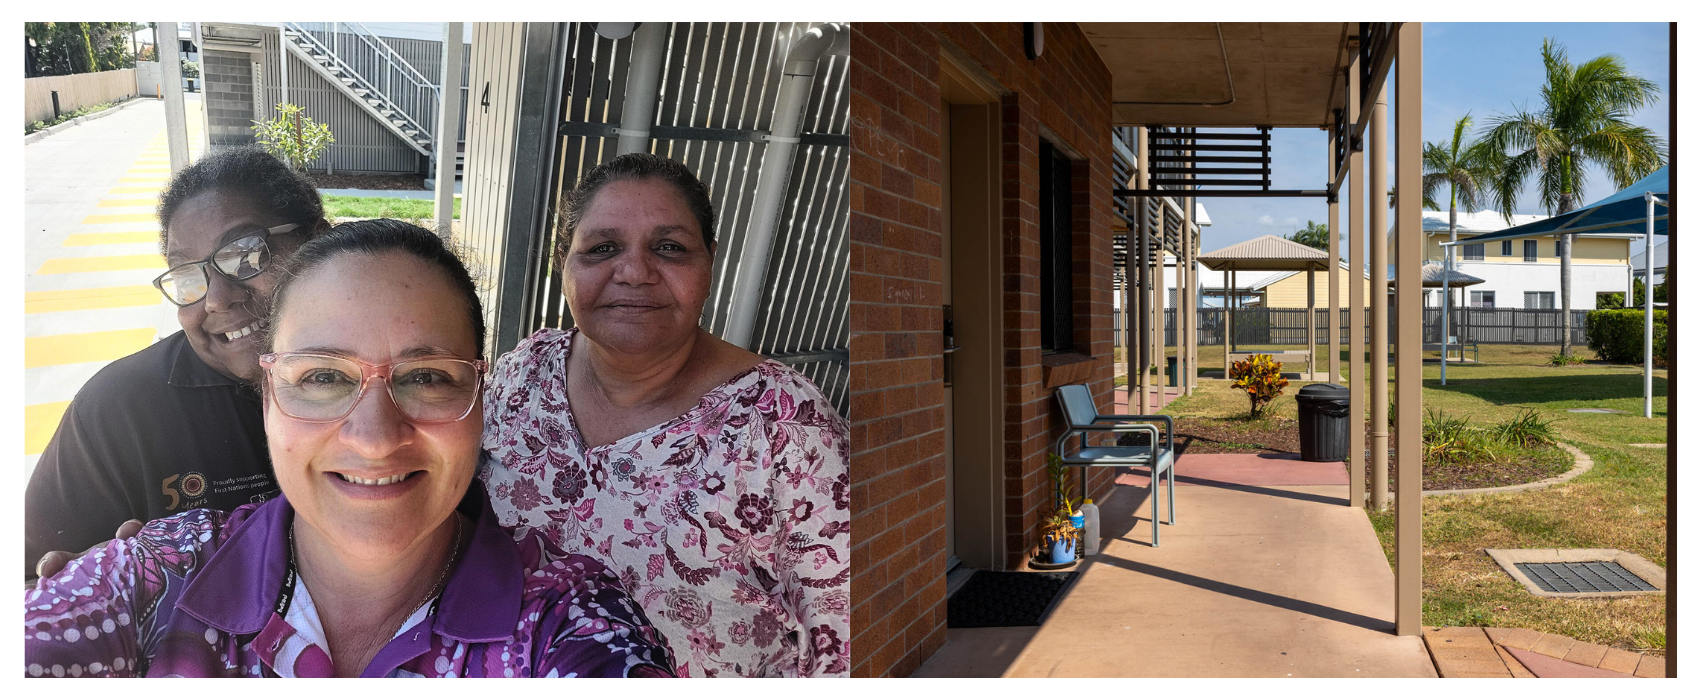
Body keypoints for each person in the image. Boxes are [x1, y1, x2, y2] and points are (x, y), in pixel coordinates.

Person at [25, 220, 676, 678]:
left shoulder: (567, 620)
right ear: (267, 397)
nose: (374, 436)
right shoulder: (153, 579)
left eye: (427, 377)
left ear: (481, 399)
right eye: (322, 377)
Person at [480, 153, 850, 677]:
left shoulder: (787, 426)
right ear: (563, 262)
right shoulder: (524, 374)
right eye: (602, 248)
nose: (635, 272)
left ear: (710, 263)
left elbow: (845, 644)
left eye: (670, 247)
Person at [26, 148, 327, 579]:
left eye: (246, 254)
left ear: (317, 243)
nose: (217, 298)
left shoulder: (397, 373)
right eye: (187, 275)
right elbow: (27, 576)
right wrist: (97, 589)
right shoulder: (118, 411)